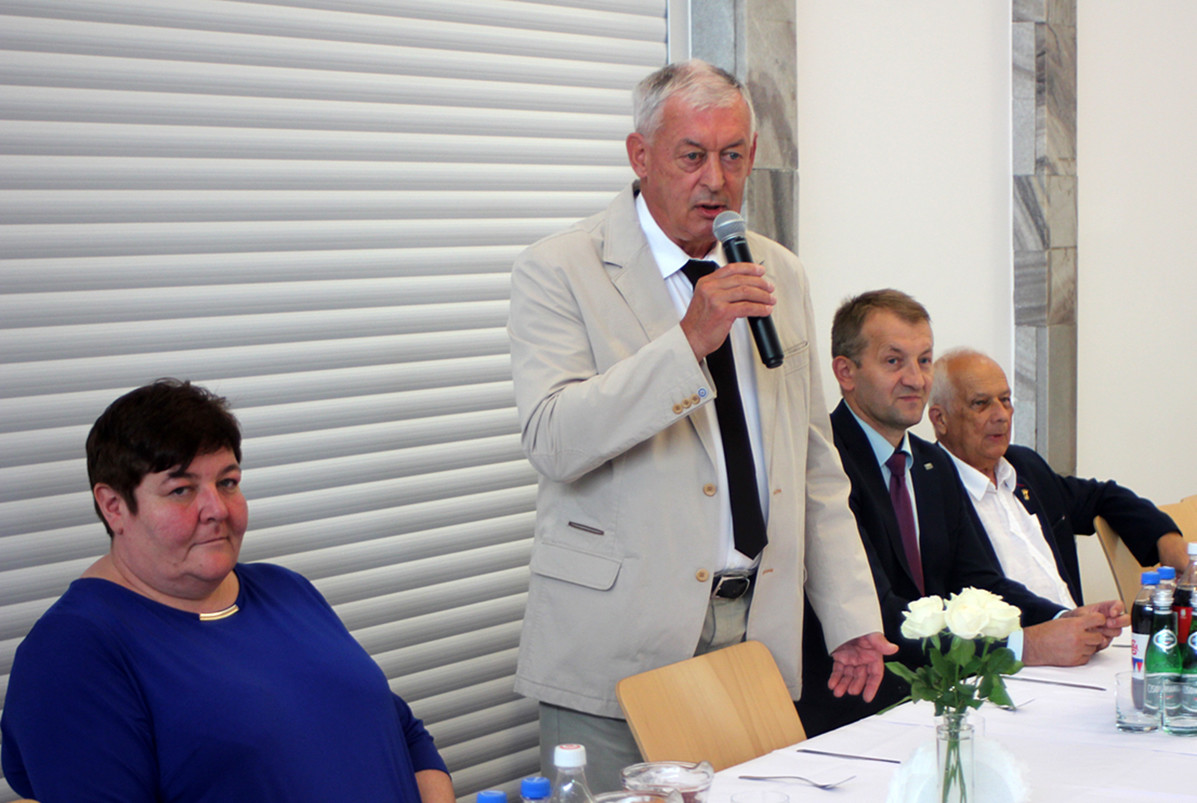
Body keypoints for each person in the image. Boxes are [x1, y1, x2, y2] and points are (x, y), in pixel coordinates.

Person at [507, 60, 893, 788]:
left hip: (754, 632)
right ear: (640, 155)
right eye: (691, 156)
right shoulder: (560, 268)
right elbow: (554, 439)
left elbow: (814, 462)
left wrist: (849, 618)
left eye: (733, 155)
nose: (715, 180)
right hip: (617, 639)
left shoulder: (778, 271)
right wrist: (688, 341)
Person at [0, 380, 453, 803]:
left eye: (227, 482)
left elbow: (403, 733)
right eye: (181, 490)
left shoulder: (286, 589)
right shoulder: (73, 653)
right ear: (114, 506)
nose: (216, 509)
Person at [796, 290, 1125, 736]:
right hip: (855, 707)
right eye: (894, 361)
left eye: (924, 360)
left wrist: (1063, 620)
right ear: (845, 372)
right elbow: (879, 612)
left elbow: (981, 581)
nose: (916, 379)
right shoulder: (821, 462)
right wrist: (1022, 645)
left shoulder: (933, 463)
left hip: (943, 699)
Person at [929, 347, 1187, 605]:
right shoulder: (927, 491)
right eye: (981, 403)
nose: (1001, 416)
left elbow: (1102, 497)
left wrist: (1165, 539)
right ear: (940, 420)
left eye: (1005, 400)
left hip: (1078, 624)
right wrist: (1063, 621)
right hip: (1018, 631)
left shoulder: (1025, 467)